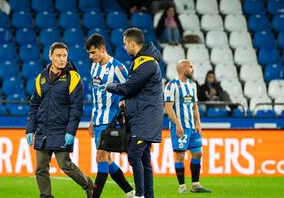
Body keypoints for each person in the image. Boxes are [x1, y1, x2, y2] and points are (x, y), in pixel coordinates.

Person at [26, 42, 94, 198]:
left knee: (65, 164)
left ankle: (89, 185)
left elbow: (76, 108)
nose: (62, 59)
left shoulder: (73, 77)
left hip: (61, 130)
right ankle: (45, 196)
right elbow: (34, 105)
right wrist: (30, 129)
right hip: (43, 130)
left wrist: (71, 132)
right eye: (58, 55)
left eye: (64, 55)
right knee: (41, 168)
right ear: (51, 57)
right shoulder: (41, 78)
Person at [105, 28, 163, 198]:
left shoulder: (146, 63)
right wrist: (127, 101)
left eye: (125, 44)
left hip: (145, 118)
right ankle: (147, 195)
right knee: (144, 158)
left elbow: (130, 87)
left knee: (134, 154)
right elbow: (137, 90)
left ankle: (139, 194)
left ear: (131, 43)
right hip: (143, 117)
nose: (124, 47)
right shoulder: (142, 61)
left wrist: (110, 86)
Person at [85, 34, 135, 198]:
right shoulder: (94, 67)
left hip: (111, 121)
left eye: (93, 53)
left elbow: (129, 90)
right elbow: (95, 94)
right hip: (98, 120)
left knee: (100, 157)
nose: (91, 57)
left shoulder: (118, 68)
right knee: (107, 160)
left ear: (103, 49)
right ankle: (129, 191)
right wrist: (92, 120)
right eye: (89, 54)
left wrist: (124, 105)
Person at [164, 59, 212, 194]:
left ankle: (195, 185)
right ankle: (182, 187)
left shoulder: (192, 85)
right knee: (180, 156)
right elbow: (168, 107)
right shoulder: (171, 85)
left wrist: (198, 123)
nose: (193, 68)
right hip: (180, 127)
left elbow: (195, 106)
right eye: (191, 67)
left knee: (198, 153)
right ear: (183, 68)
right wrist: (178, 124)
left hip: (192, 127)